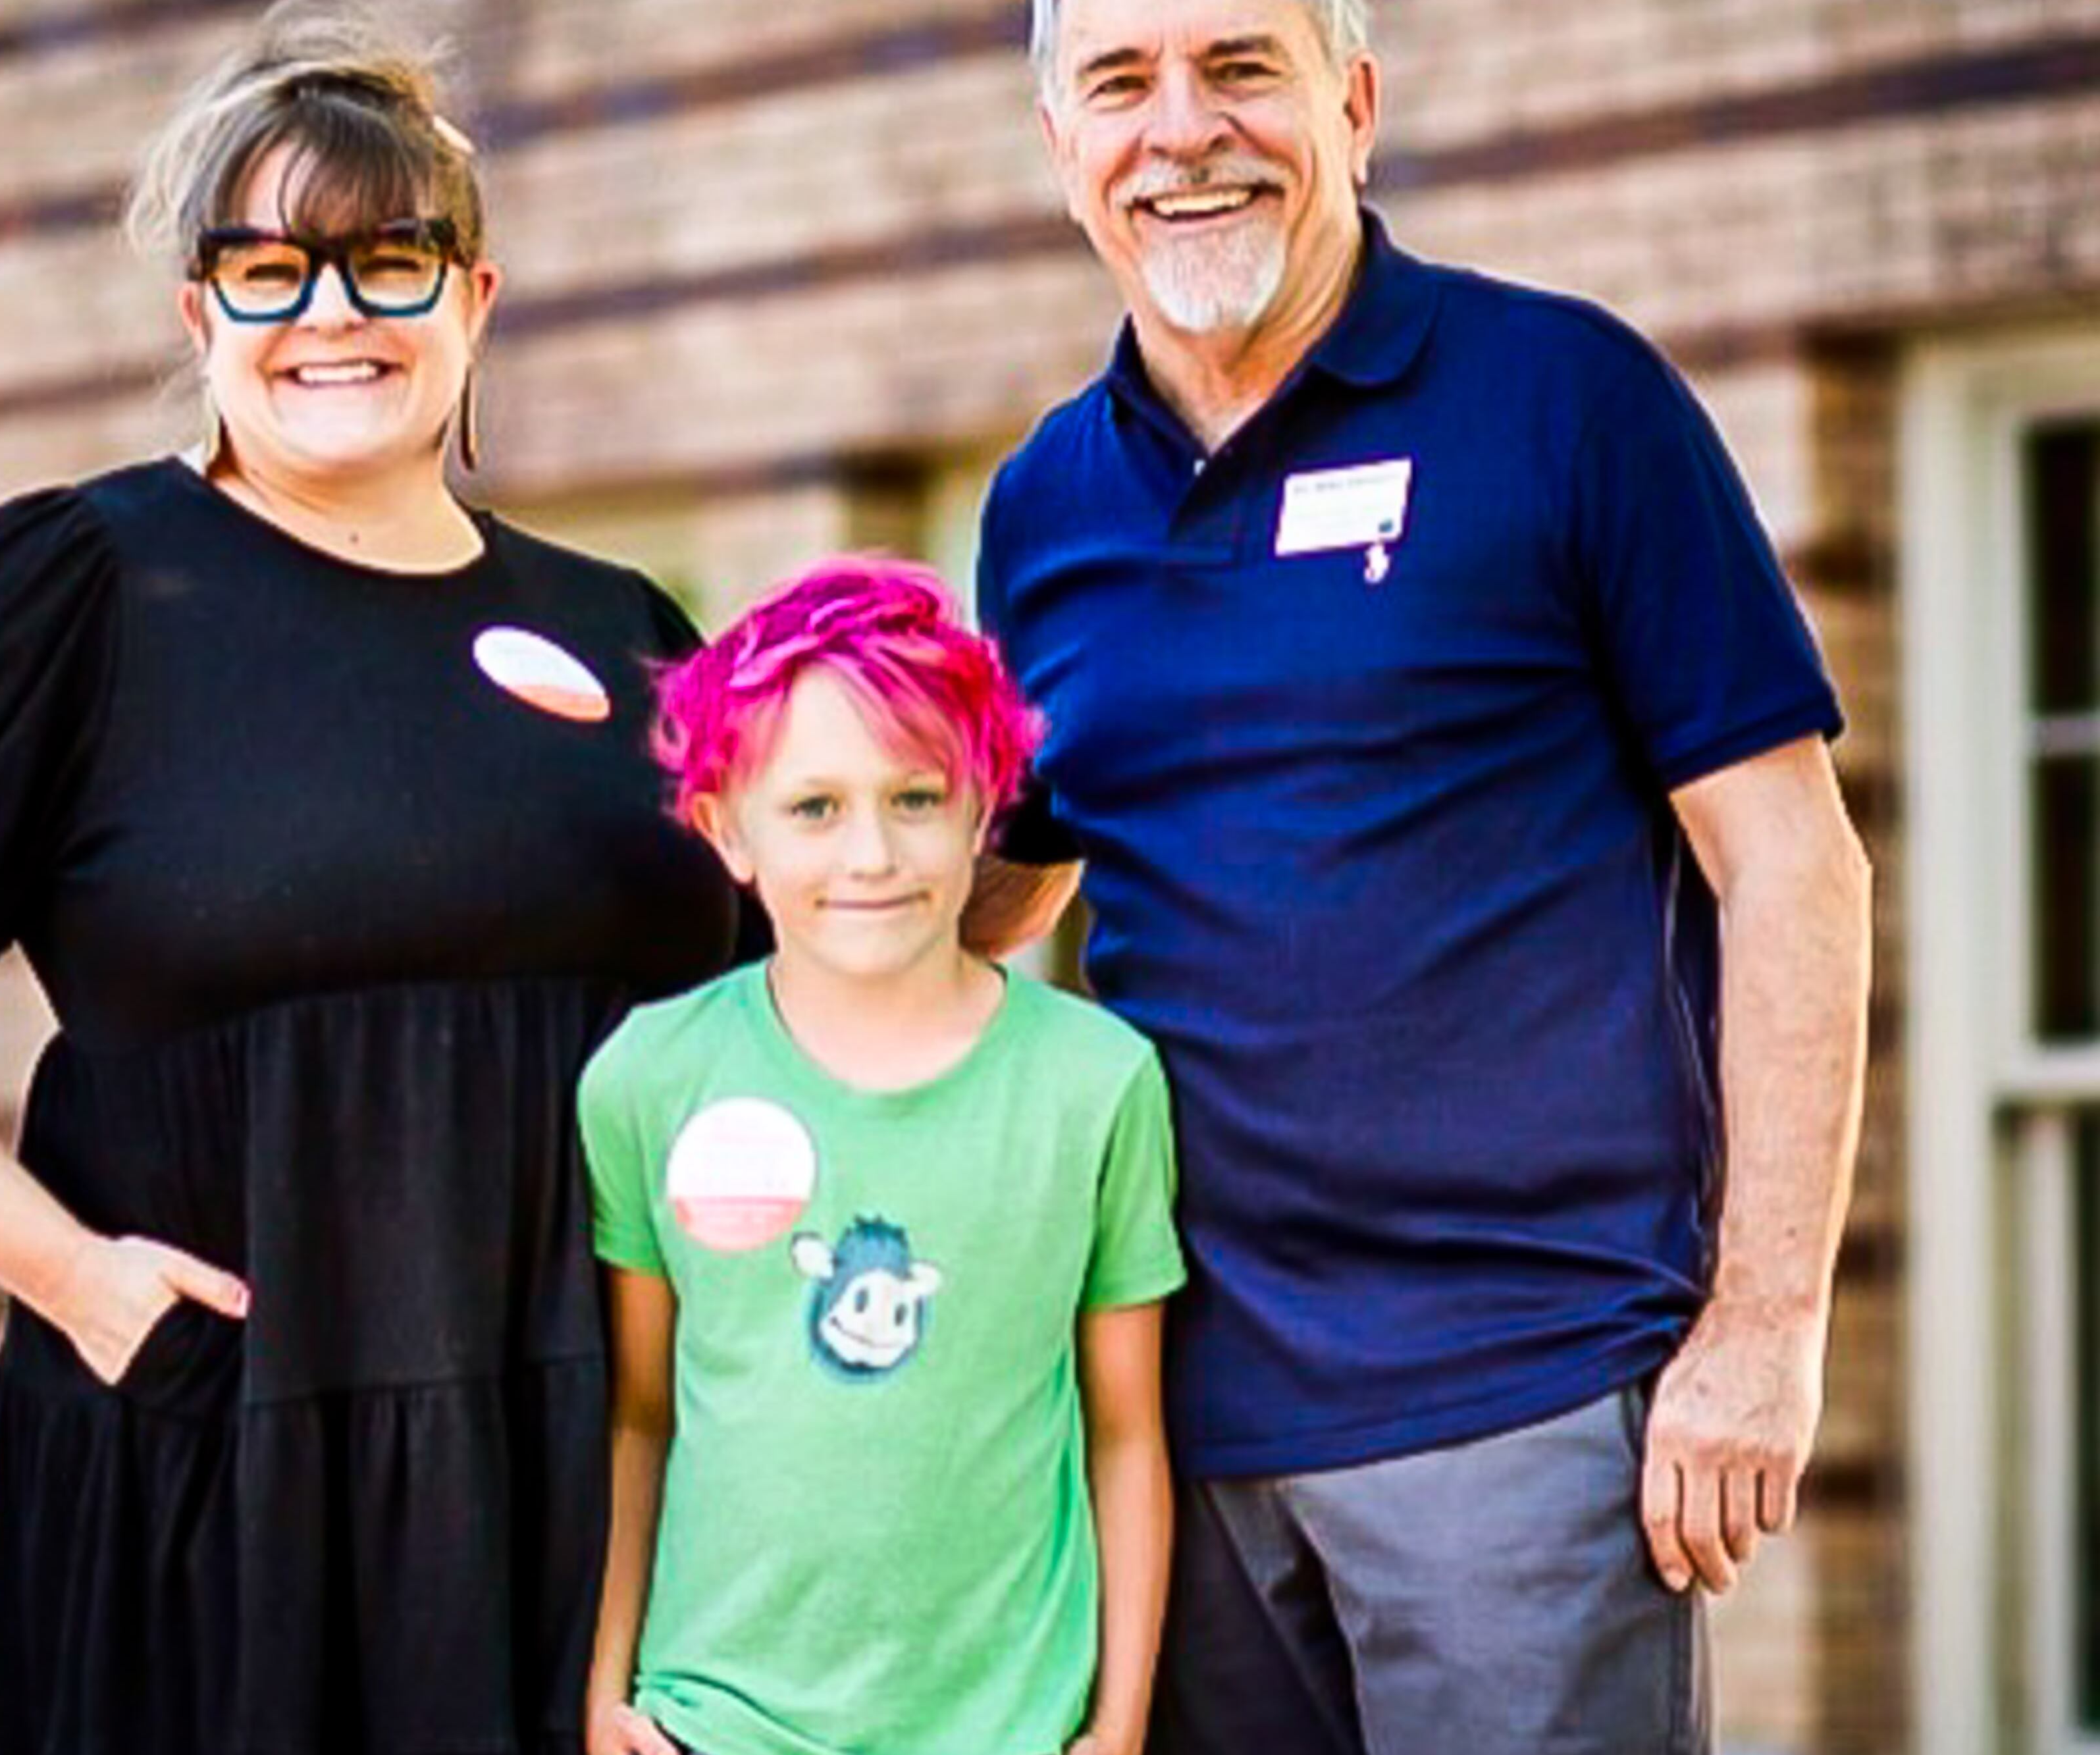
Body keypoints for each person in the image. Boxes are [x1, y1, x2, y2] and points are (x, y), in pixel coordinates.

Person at [0, 8, 741, 1752]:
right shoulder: (77, 590)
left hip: (588, 1477)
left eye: (389, 260)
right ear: (203, 318)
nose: (332, 311)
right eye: (270, 269)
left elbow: (775, 1009)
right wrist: (78, 1279)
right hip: (221, 1465)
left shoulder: (626, 629)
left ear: (474, 301)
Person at [974, 0, 1875, 1750]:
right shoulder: (1042, 507)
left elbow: (1793, 864)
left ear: (1356, 106)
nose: (1182, 132)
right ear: (1061, 151)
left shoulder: (1565, 399)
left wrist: (1766, 1328)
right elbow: (982, 901)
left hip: (1519, 1411)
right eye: (1119, 85)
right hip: (1181, 1432)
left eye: (1243, 68)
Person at [577, 560, 1186, 1755]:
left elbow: (1124, 1430)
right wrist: (609, 1694)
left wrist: (1117, 1726)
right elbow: (642, 1415)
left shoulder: (1096, 1082)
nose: (871, 856)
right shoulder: (647, 1078)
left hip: (1008, 1728)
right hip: (717, 1723)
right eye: (813, 808)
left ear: (982, 809)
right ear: (727, 830)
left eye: (916, 798)